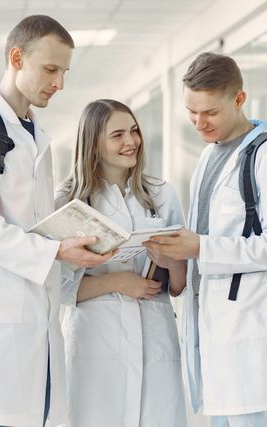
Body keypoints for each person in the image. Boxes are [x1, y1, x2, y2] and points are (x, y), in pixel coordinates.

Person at [0, 15, 113, 427]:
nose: (59, 83)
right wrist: (54, 249)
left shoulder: (33, 132)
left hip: (39, 320)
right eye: (51, 69)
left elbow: (32, 221)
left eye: (65, 72)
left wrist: (76, 240)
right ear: (17, 57)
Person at [143, 52, 267, 427]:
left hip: (245, 320)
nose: (200, 123)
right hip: (210, 318)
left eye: (210, 112)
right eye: (191, 111)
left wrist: (200, 247)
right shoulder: (209, 155)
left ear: (239, 99)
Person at [56, 99, 188, 427]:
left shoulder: (161, 195)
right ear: (94, 143)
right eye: (117, 135)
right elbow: (58, 287)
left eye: (133, 131)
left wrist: (170, 261)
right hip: (94, 337)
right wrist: (117, 282)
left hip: (154, 333)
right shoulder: (68, 200)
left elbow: (180, 283)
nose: (131, 142)